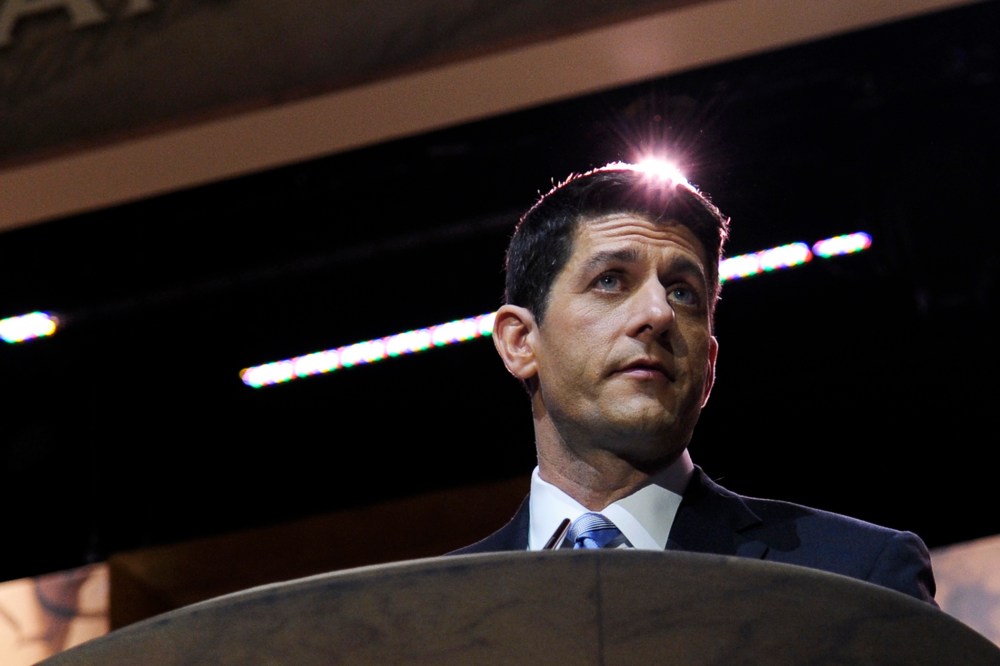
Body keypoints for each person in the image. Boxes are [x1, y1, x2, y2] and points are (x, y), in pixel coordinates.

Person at [449, 160, 937, 606]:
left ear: (709, 366)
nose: (659, 313)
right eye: (611, 280)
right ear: (520, 342)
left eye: (682, 292)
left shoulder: (859, 577)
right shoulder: (428, 611)